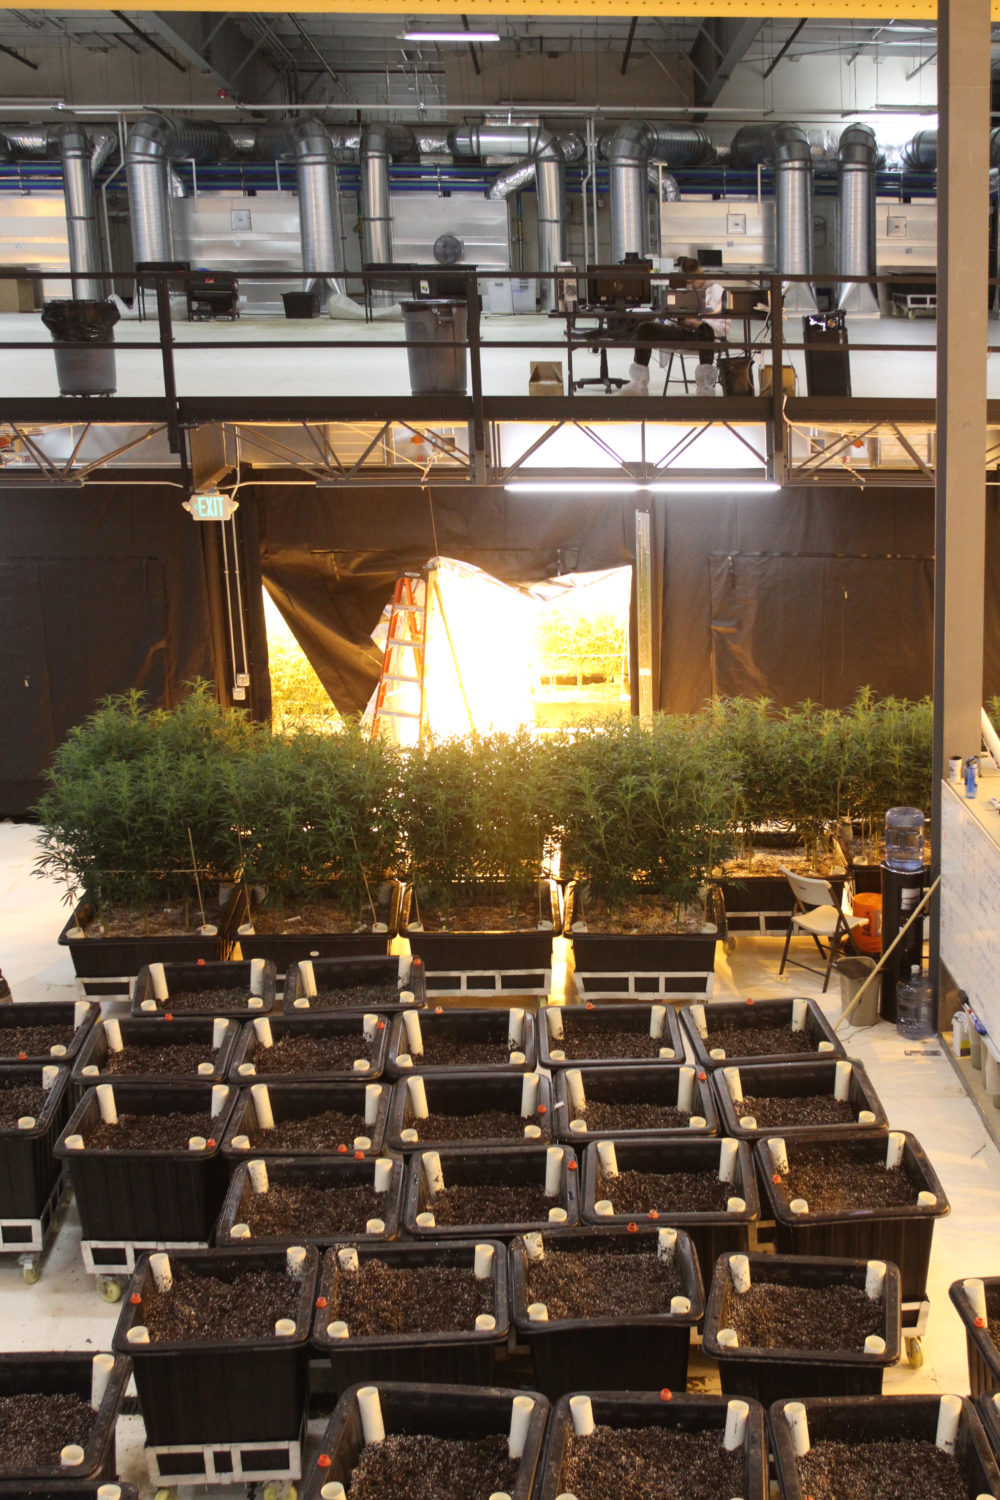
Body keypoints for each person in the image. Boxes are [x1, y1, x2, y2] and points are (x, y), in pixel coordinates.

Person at [617, 256, 729, 397]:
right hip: (681, 331)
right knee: (645, 328)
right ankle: (638, 384)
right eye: (687, 282)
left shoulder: (716, 290)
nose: (691, 286)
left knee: (704, 329)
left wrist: (698, 323)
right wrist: (676, 319)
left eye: (693, 281)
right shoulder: (681, 287)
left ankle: (705, 388)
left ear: (700, 274)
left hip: (704, 335)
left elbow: (724, 325)